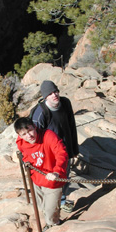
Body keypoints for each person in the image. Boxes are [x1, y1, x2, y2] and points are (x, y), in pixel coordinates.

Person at [32, 80, 79, 212]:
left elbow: (71, 126)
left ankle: (61, 201)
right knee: (52, 180)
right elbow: (36, 140)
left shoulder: (65, 103)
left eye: (56, 91)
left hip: (65, 151)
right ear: (45, 96)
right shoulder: (40, 114)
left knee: (65, 177)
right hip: (49, 155)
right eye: (50, 93)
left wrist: (74, 149)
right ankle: (52, 204)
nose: (54, 95)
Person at [14, 117, 68, 231]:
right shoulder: (21, 142)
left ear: (34, 126)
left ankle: (55, 224)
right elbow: (25, 153)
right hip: (36, 180)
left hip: (53, 181)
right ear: (20, 135)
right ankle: (53, 220)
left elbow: (61, 153)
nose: (29, 135)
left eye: (30, 130)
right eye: (24, 134)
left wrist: (57, 171)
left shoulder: (48, 136)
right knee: (40, 207)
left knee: (49, 214)